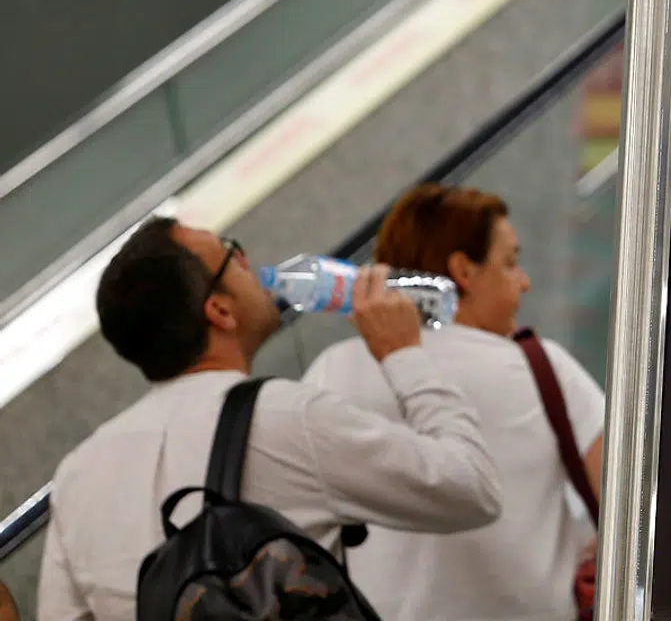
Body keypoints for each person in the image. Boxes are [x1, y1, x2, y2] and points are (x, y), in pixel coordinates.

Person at [37, 218, 505, 621]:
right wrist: (404, 356)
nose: (250, 263)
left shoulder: (77, 476)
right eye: (232, 255)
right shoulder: (287, 417)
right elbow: (471, 490)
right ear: (219, 310)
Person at [304, 186, 605, 621]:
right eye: (510, 262)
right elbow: (631, 501)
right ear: (464, 270)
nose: (524, 280)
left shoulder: (329, 373)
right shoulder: (540, 368)